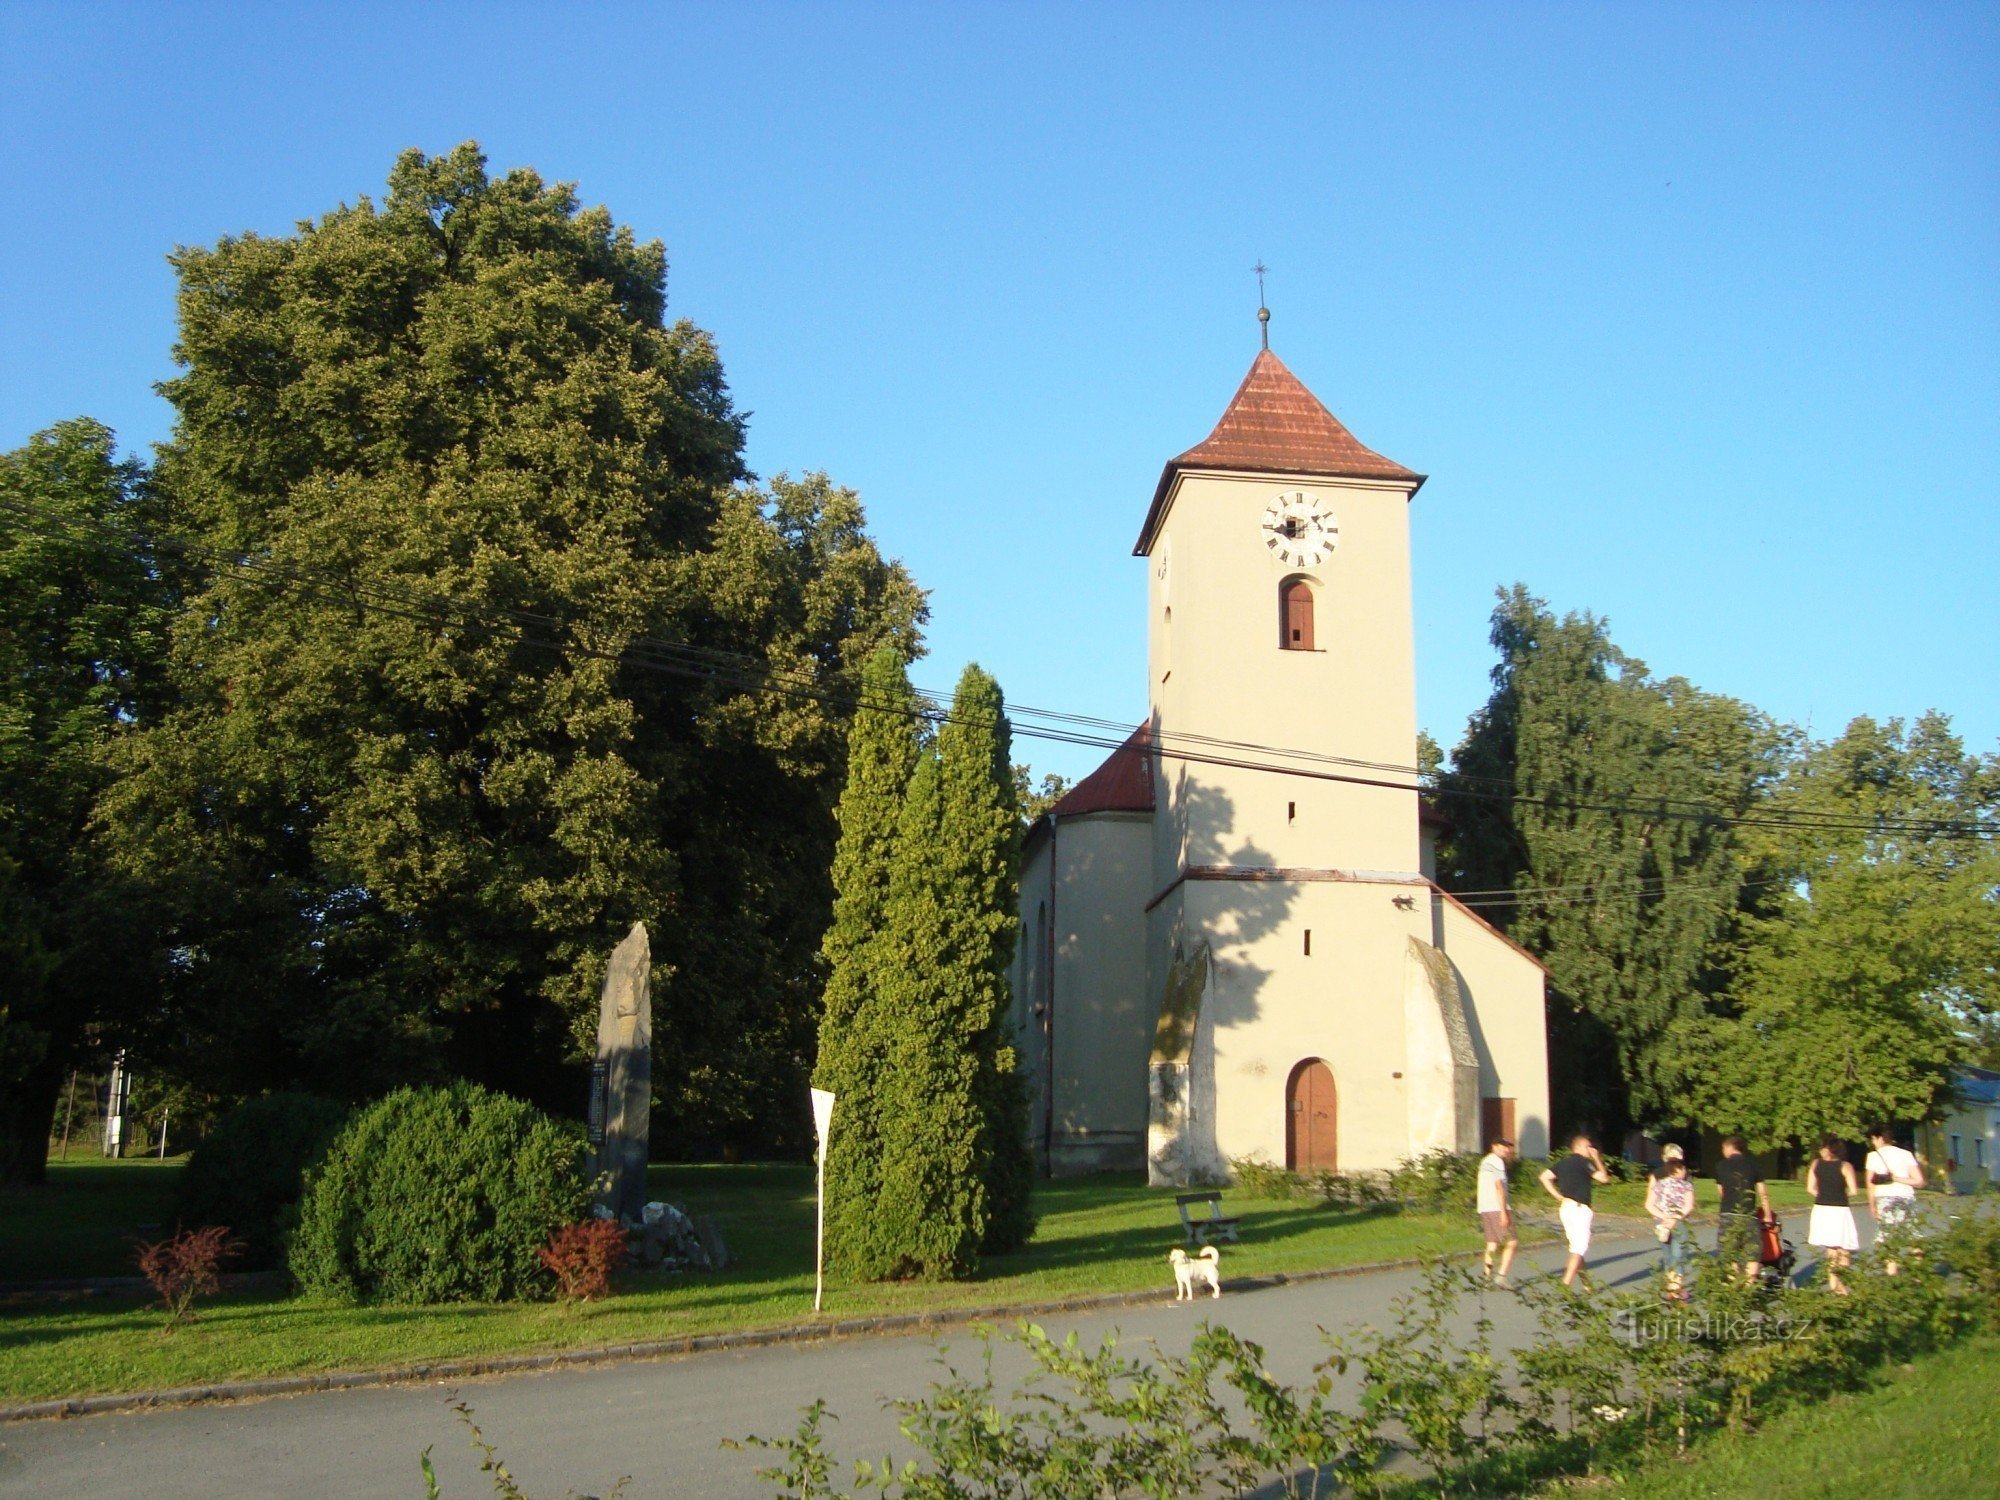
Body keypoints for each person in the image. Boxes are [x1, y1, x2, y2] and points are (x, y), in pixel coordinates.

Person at [1539, 1132, 1612, 1287]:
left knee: (1576, 1247)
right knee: (1579, 1248)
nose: (1590, 1149)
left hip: (1566, 1208)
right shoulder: (1584, 1162)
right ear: (1578, 1147)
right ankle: (1565, 1284)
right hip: (1580, 1209)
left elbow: (1544, 1177)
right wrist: (1597, 1158)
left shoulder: (1563, 1163)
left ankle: (1587, 1285)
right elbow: (1604, 1178)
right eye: (1588, 1146)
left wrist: (1558, 1196)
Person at [1865, 1125, 1926, 1275]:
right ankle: (1918, 1273)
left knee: (1889, 1239)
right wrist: (1898, 1178)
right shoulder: (1906, 1154)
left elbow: (1870, 1183)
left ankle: (1892, 1274)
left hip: (1884, 1198)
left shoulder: (1873, 1156)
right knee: (1913, 1236)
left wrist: (1872, 1205)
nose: (1873, 1142)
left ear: (1879, 1138)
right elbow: (1919, 1181)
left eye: (1873, 1139)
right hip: (1906, 1197)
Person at [1803, 1135, 1861, 1295]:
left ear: (1826, 1149)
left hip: (1821, 1208)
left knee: (1831, 1249)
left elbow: (1810, 1188)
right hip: (1839, 1209)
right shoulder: (1845, 1166)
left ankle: (1834, 1284)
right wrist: (1840, 1195)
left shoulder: (1816, 1164)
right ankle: (1839, 1284)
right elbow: (1854, 1191)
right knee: (1844, 1248)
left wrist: (1823, 1195)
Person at [1713, 1136, 1772, 1284]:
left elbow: (1721, 1192)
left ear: (1729, 1147)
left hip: (1728, 1213)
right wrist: (1767, 1214)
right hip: (1748, 1214)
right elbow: (1763, 1193)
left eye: (1723, 1149)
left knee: (1729, 1252)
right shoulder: (1753, 1166)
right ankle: (1749, 1285)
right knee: (1753, 1252)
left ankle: (1734, 1285)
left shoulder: (1720, 1166)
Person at [1643, 1143, 1696, 1298]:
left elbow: (1649, 1203)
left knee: (1668, 1257)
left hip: (1661, 1222)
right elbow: (1689, 1205)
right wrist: (1675, 1217)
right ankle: (1675, 1291)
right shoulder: (1686, 1180)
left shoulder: (1657, 1177)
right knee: (1678, 1257)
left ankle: (1670, 1289)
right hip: (1678, 1222)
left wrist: (1663, 1217)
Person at [1477, 1137, 1518, 1285]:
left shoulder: (1485, 1161)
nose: (1506, 1150)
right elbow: (1499, 1187)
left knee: (1492, 1243)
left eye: (1507, 1147)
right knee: (1512, 1241)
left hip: (1485, 1207)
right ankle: (1501, 1275)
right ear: (1494, 1146)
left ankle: (1487, 1276)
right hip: (1496, 1207)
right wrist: (1503, 1212)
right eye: (1502, 1146)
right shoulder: (1496, 1161)